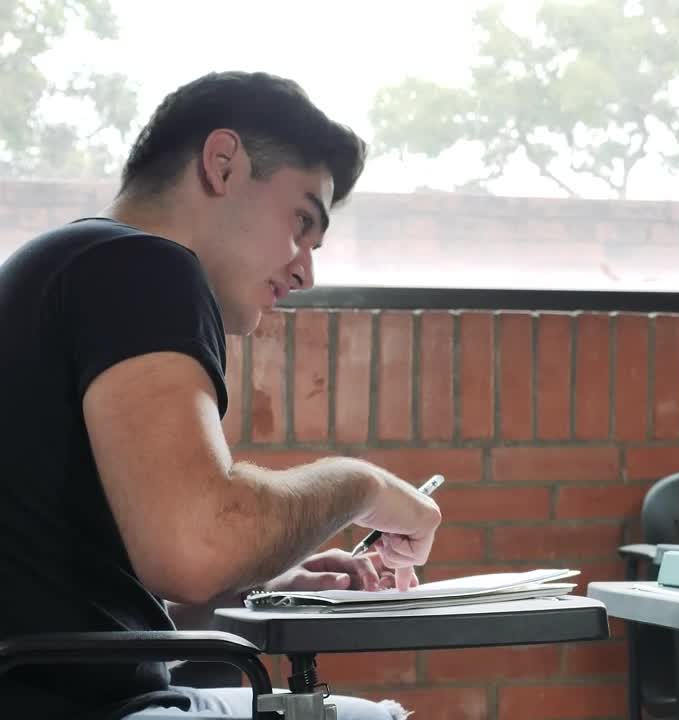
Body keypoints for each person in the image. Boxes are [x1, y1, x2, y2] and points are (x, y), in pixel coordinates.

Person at [0, 71, 442, 719]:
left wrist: (250, 589)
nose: (304, 269)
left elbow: (90, 585)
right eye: (301, 221)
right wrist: (365, 487)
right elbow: (196, 548)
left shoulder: (60, 268)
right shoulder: (142, 267)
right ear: (223, 163)